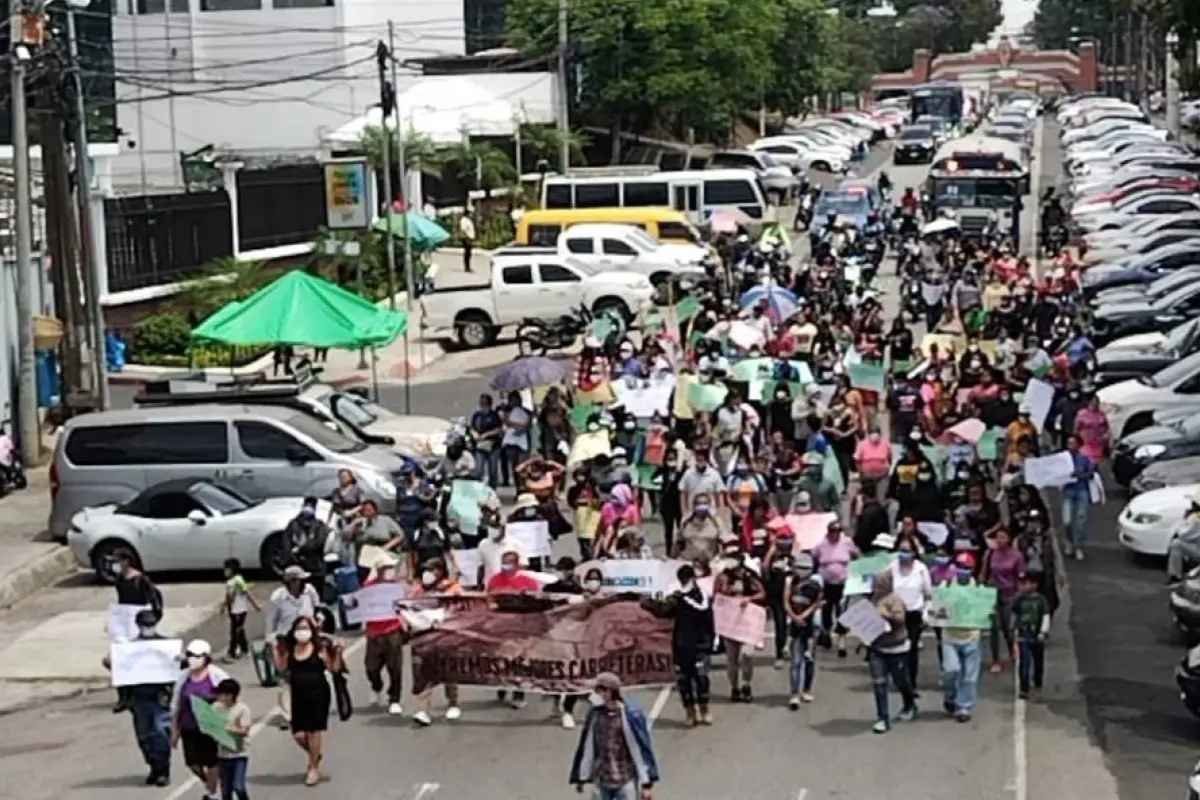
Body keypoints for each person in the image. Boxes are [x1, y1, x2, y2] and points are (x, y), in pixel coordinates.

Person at [568, 672, 660, 800]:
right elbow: (587, 747)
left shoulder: (631, 715)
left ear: (611, 692)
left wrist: (646, 784)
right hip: (601, 780)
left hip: (625, 780)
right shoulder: (594, 715)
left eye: (601, 690)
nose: (597, 694)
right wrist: (581, 776)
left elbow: (641, 749)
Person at [275, 615, 343, 786]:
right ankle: (315, 754)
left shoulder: (320, 649)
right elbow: (281, 669)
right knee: (298, 734)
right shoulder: (291, 649)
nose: (302, 632)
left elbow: (333, 668)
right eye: (299, 628)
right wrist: (276, 650)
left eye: (305, 628)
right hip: (297, 695)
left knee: (314, 731)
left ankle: (313, 768)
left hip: (318, 694)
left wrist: (339, 652)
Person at [170, 639, 230, 800]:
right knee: (192, 763)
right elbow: (176, 705)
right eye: (190, 655)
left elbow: (230, 698)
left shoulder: (217, 675)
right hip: (189, 727)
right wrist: (175, 732)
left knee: (211, 761)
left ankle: (213, 793)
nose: (192, 659)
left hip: (210, 728)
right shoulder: (183, 677)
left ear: (206, 657)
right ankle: (210, 783)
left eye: (197, 656)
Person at [409, 558, 463, 727]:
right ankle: (423, 710)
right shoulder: (418, 590)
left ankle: (453, 703)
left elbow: (460, 608)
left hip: (444, 635)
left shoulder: (452, 588)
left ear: (440, 571)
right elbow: (409, 607)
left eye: (431, 570)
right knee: (421, 672)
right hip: (422, 636)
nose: (428, 574)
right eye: (425, 569)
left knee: (448, 670)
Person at [123, 609, 174, 786]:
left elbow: (179, 663)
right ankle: (153, 766)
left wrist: (178, 660)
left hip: (160, 696)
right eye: (145, 625)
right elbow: (113, 663)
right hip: (139, 697)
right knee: (144, 736)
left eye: (151, 625)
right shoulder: (130, 647)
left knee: (160, 732)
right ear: (138, 626)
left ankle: (163, 770)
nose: (148, 628)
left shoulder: (165, 645)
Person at [110, 550, 164, 711]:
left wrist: (149, 621)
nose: (115, 565)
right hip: (124, 624)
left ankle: (141, 693)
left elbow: (155, 602)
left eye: (118, 561)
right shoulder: (120, 580)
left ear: (127, 561)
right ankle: (123, 696)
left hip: (139, 623)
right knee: (118, 658)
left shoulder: (141, 580)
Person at [867, 571, 918, 734]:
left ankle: (909, 702)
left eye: (880, 583)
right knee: (879, 683)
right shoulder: (871, 600)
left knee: (900, 680)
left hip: (897, 649)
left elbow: (900, 620)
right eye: (875, 583)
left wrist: (886, 615)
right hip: (877, 648)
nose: (877, 586)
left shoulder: (895, 600)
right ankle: (883, 718)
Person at [714, 542, 766, 703]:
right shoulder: (722, 576)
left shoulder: (749, 575)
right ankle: (734, 688)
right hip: (729, 621)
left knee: (747, 654)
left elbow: (762, 593)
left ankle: (746, 684)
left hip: (746, 621)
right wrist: (725, 593)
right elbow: (715, 596)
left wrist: (748, 598)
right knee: (732, 659)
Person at [940, 553, 983, 722]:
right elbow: (938, 608)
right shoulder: (947, 585)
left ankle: (964, 706)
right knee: (951, 670)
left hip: (971, 636)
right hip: (950, 636)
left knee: (969, 676)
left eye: (966, 568)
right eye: (960, 567)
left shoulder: (979, 589)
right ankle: (950, 697)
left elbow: (984, 611)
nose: (962, 570)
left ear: (972, 570)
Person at [362, 561, 407, 716]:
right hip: (374, 632)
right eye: (384, 569)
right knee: (371, 667)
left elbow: (406, 605)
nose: (388, 572)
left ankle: (394, 699)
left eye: (390, 568)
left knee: (395, 668)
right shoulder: (369, 586)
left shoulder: (397, 587)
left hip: (392, 630)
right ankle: (376, 686)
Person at [981, 527, 1025, 674]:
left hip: (1009, 594)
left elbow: (1020, 577)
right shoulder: (991, 553)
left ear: (1009, 539)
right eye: (997, 537)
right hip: (992, 593)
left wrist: (1019, 595)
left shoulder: (1016, 556)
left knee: (1008, 627)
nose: (1000, 540)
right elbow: (984, 572)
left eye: (1003, 537)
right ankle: (995, 660)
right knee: (994, 628)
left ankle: (1012, 650)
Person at [812, 520, 859, 657]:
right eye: (833, 531)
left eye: (838, 531)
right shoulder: (821, 545)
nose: (835, 534)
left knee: (842, 611)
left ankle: (842, 642)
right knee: (826, 609)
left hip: (843, 582)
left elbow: (856, 555)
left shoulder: (846, 542)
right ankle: (826, 633)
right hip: (826, 582)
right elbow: (813, 558)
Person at [889, 542, 933, 687]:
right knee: (896, 648)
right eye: (902, 551)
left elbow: (928, 594)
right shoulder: (891, 567)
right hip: (895, 614)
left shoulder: (921, 569)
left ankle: (911, 682)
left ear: (914, 553)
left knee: (911, 648)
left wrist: (926, 612)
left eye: (907, 551)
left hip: (914, 613)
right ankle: (898, 678)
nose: (904, 554)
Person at [784, 553, 822, 708]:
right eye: (800, 567)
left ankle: (806, 689)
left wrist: (804, 615)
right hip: (795, 624)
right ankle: (794, 693)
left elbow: (817, 603)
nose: (802, 571)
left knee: (809, 659)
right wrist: (794, 616)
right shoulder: (790, 582)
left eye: (806, 568)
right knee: (796, 661)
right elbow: (785, 601)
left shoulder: (815, 584)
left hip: (811, 624)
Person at [1012, 571, 1051, 699]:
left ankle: (1037, 681)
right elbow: (1015, 614)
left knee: (1038, 661)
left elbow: (1045, 615)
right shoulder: (1019, 599)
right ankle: (1024, 688)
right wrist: (1013, 629)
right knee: (1024, 662)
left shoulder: (1041, 600)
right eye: (1021, 583)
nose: (1023, 586)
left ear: (1035, 584)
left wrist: (1043, 632)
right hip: (1024, 635)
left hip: (1037, 636)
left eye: (1026, 583)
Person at [213, 678, 252, 800]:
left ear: (231, 695)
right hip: (222, 754)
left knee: (238, 786)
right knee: (226, 791)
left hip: (239, 753)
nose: (221, 697)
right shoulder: (215, 707)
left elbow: (244, 731)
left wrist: (228, 728)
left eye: (224, 694)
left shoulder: (242, 709)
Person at [1061, 434, 1096, 561]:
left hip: (1081, 490)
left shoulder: (1084, 458)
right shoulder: (1063, 459)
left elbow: (1091, 473)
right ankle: (1069, 541)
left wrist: (1080, 474)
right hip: (1068, 492)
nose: (1071, 446)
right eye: (1069, 443)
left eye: (1073, 443)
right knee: (1067, 521)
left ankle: (1078, 546)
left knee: (1081, 520)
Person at [283, 497, 332, 583]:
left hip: (314, 565)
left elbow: (318, 543)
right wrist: (292, 556)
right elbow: (286, 542)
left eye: (311, 506)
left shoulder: (319, 525)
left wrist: (300, 549)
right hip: (296, 564)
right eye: (306, 505)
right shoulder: (293, 524)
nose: (308, 508)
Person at [222, 558, 260, 662]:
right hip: (233, 610)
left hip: (239, 610)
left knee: (235, 632)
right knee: (238, 630)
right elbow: (228, 596)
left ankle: (232, 652)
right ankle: (244, 649)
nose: (225, 571)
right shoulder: (230, 582)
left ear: (232, 569)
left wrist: (255, 605)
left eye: (226, 569)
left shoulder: (238, 581)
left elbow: (246, 593)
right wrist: (224, 606)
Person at [470, 393, 504, 486]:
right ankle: (477, 488)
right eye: (481, 403)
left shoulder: (494, 415)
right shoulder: (477, 415)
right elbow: (472, 427)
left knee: (493, 470)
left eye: (485, 403)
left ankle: (493, 488)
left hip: (493, 445)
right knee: (478, 470)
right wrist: (475, 434)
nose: (483, 405)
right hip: (480, 445)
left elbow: (499, 429)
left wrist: (486, 434)